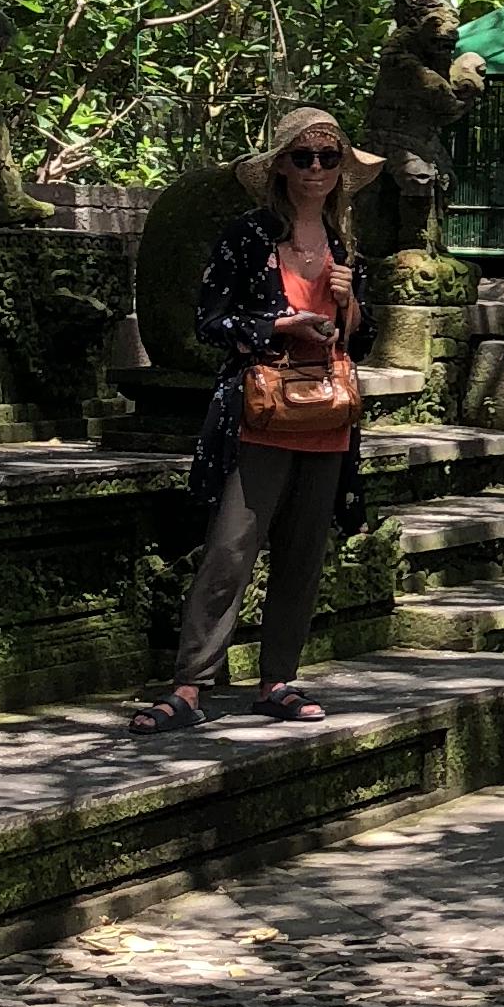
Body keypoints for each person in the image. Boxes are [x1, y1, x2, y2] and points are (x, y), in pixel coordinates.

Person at [135, 108, 378, 730]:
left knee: (304, 551)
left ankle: (279, 680)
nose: (316, 169)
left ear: (341, 170)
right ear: (280, 167)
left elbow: (362, 337)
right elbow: (210, 321)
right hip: (260, 411)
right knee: (231, 547)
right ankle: (191, 684)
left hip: (328, 416)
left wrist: (347, 304)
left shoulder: (344, 242)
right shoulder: (248, 236)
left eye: (328, 158)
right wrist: (282, 324)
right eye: (303, 157)